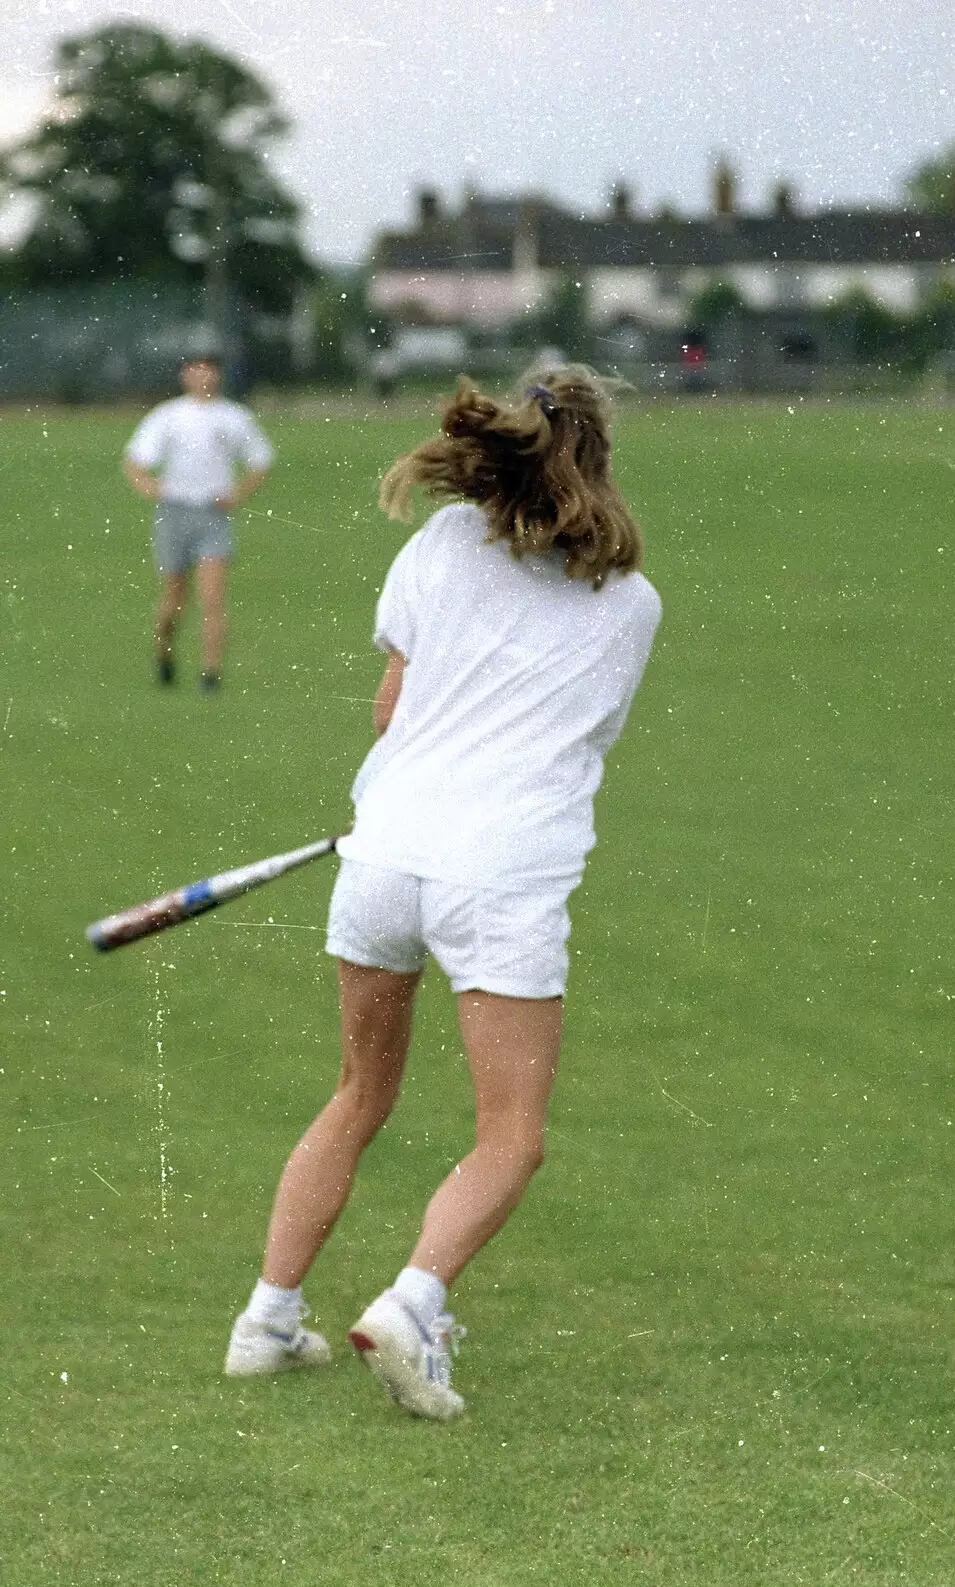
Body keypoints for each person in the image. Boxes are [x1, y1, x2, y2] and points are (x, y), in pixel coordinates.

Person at [224, 366, 662, 1420]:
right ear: (599, 460)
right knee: (511, 1133)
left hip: (385, 854)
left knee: (357, 1093)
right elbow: (579, 737)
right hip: (502, 873)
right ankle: (415, 1303)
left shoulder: (436, 545)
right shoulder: (633, 602)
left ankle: (267, 1320)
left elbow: (390, 713)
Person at [122, 349, 274, 689]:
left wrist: (239, 492)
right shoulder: (168, 416)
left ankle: (211, 673)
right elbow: (135, 460)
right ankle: (164, 653)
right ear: (185, 375)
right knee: (174, 599)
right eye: (196, 370)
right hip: (174, 513)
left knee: (213, 596)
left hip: (212, 513)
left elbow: (261, 460)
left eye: (209, 370)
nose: (203, 377)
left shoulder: (233, 417)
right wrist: (149, 487)